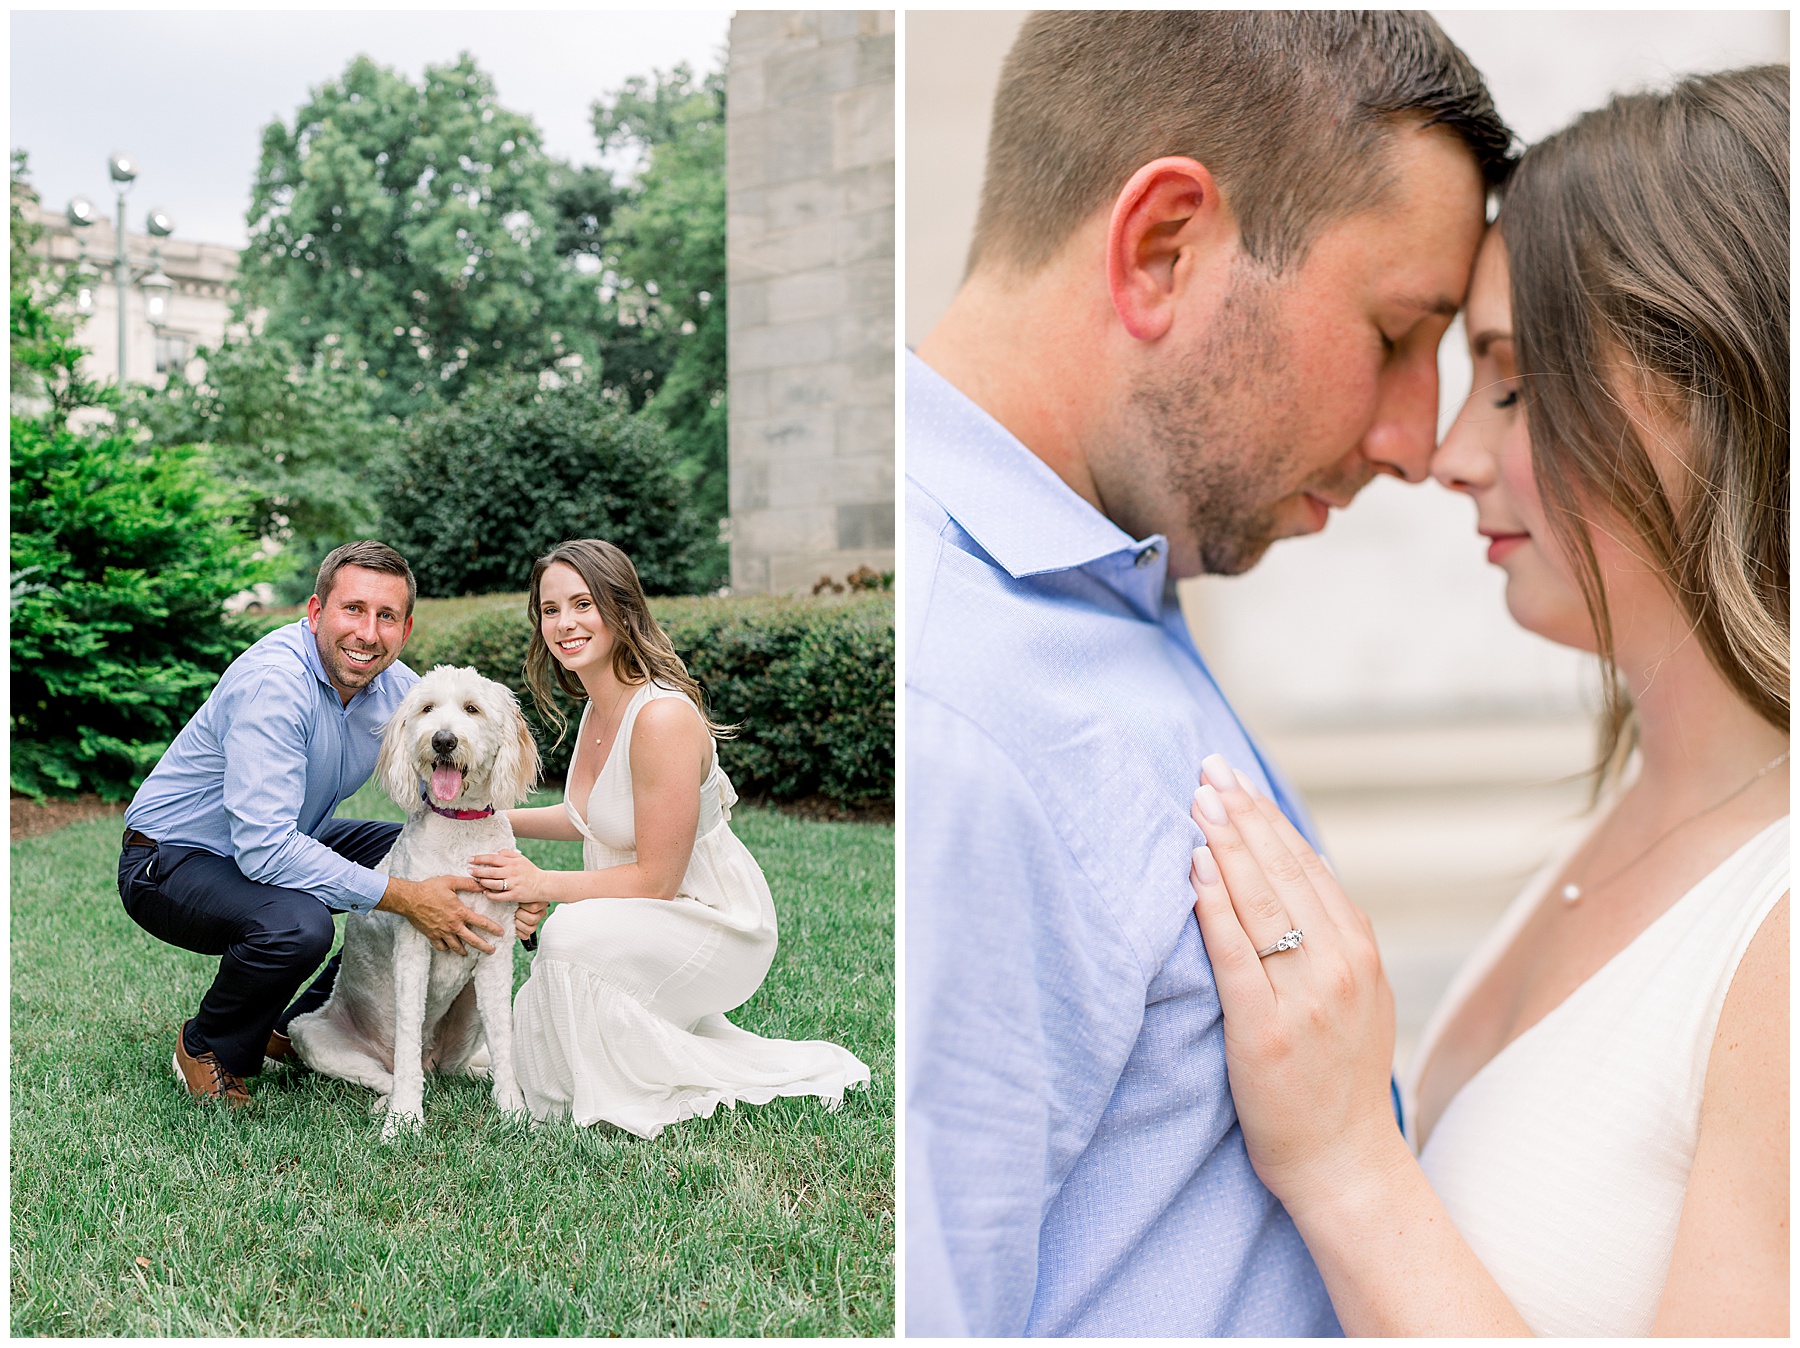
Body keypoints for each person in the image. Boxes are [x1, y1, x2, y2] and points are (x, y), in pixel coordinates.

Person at [905, 12, 1513, 1336]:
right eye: (1396, 334)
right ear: (1163, 249)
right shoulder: (956, 708)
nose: (1416, 442)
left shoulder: (1106, 583)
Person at [1187, 66, 1788, 1336]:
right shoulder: (1653, 807)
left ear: (1719, 395)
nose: (1449, 454)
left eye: (1512, 384)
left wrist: (1347, 1163)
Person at [464, 538, 869, 1139]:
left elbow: (656, 880)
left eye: (583, 604)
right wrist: (481, 817)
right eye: (550, 610)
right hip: (651, 911)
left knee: (568, 935)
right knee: (556, 968)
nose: (565, 623)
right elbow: (584, 817)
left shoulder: (661, 716)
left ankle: (633, 1077)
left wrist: (540, 883)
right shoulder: (597, 706)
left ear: (621, 607)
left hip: (711, 921)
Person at [119, 540, 522, 1106]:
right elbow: (264, 849)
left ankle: (307, 1023)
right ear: (316, 612)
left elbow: (455, 790)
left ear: (405, 630)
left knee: (414, 848)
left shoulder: (400, 690)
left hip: (286, 834)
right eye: (353, 609)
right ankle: (207, 1044)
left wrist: (509, 886)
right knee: (299, 925)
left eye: (386, 616)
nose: (368, 632)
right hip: (172, 858)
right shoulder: (274, 684)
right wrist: (404, 896)